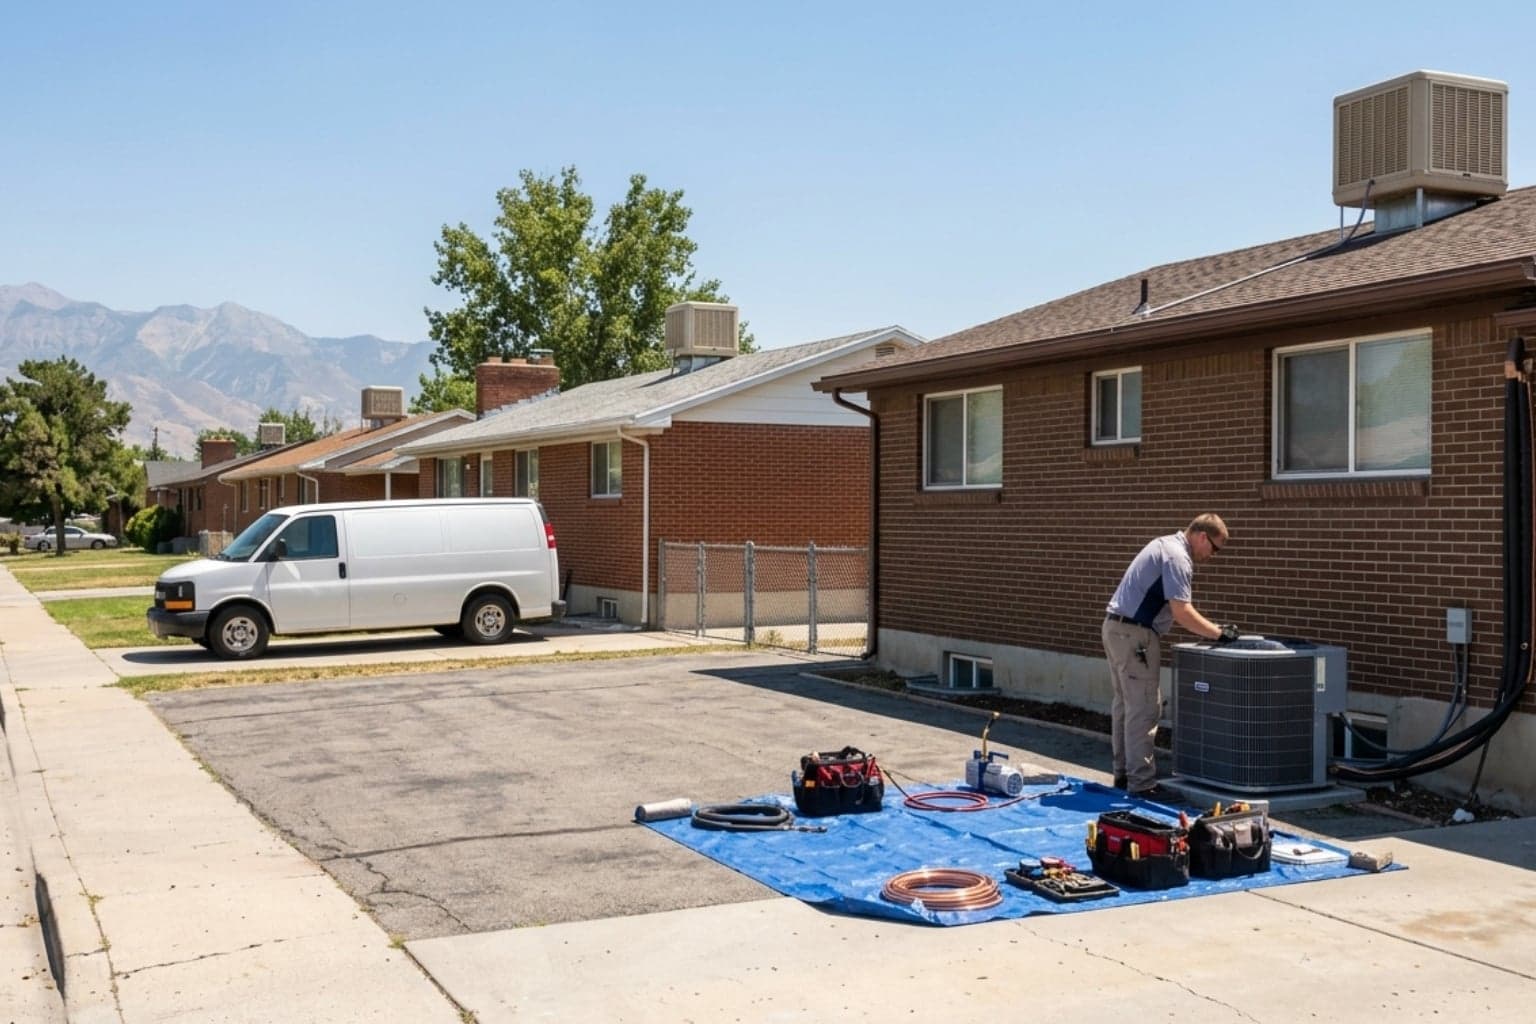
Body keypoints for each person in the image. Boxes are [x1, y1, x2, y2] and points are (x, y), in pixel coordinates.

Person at [1102, 513, 1237, 798]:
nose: (1211, 556)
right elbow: (1182, 611)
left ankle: (1123, 775)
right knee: (1144, 708)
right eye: (1214, 548)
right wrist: (1218, 633)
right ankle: (1142, 785)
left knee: (1126, 705)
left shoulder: (1163, 544)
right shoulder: (1177, 557)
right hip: (1136, 635)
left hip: (1116, 628)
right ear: (1202, 536)